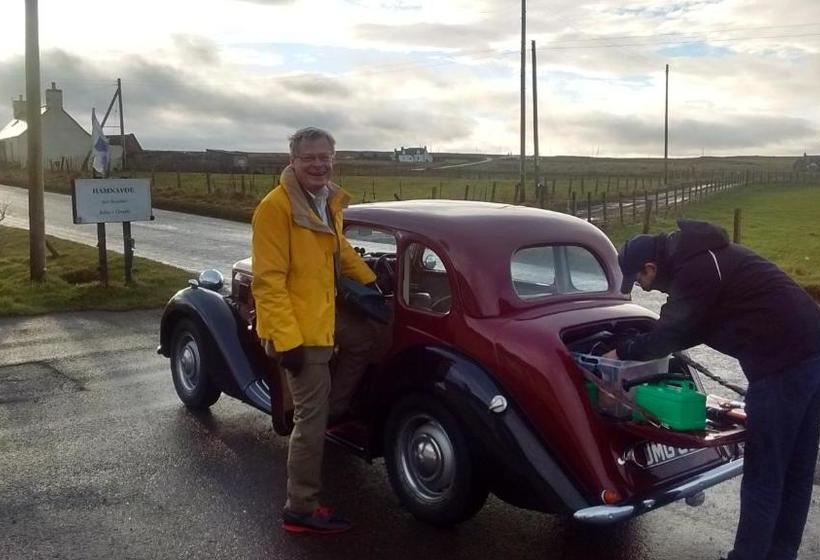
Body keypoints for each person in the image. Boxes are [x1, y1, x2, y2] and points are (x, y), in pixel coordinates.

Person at [607, 219, 820, 560]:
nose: (646, 290)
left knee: (764, 473)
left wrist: (622, 351)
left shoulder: (694, 270)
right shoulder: (704, 257)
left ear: (651, 266)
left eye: (641, 282)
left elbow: (670, 335)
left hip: (783, 366)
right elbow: (692, 325)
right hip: (811, 351)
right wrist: (640, 343)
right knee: (796, 468)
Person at [251, 127, 386, 534]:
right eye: (309, 157)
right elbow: (268, 282)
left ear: (333, 158)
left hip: (322, 311)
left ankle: (338, 408)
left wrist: (371, 283)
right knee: (309, 420)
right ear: (292, 160)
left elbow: (339, 249)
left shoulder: (326, 201)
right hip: (296, 326)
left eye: (325, 156)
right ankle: (300, 507)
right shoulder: (275, 209)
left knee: (365, 338)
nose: (318, 164)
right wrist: (287, 342)